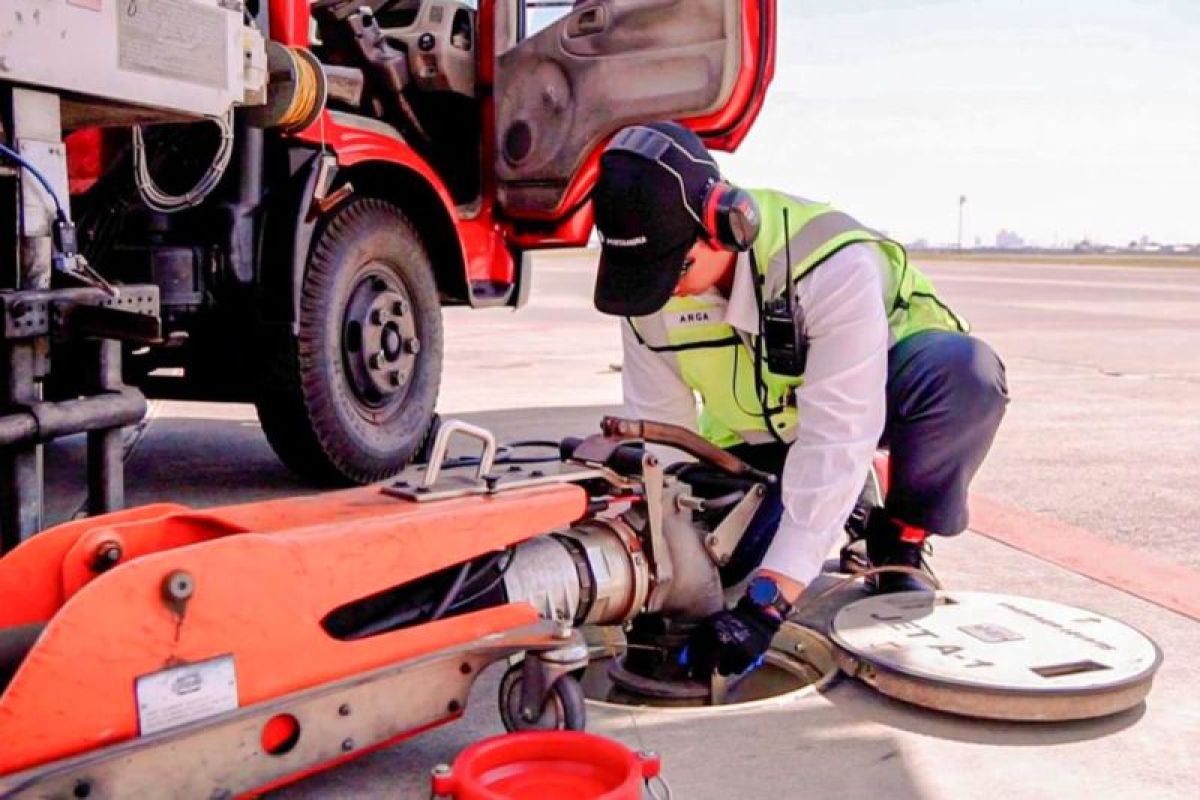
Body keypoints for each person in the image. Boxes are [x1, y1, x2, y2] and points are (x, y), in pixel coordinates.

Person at [589, 121, 1008, 679]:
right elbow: (662, 436)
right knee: (721, 567)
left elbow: (840, 429)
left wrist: (770, 601)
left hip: (885, 392)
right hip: (758, 439)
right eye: (646, 274)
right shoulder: (649, 295)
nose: (663, 288)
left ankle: (896, 539)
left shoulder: (824, 262)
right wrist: (665, 559)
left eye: (675, 267)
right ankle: (843, 494)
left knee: (962, 376)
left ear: (725, 223)